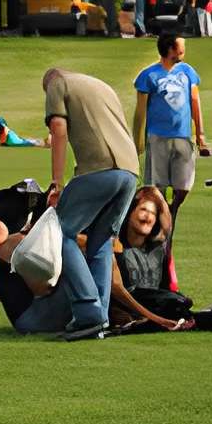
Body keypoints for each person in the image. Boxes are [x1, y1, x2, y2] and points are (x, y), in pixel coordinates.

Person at [14, 68, 140, 338]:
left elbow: (58, 130)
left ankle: (88, 311)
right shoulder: (103, 85)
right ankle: (100, 317)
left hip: (98, 170)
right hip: (130, 172)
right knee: (101, 242)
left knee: (60, 232)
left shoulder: (56, 84)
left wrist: (56, 183)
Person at [132, 32, 209, 221]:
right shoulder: (148, 76)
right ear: (170, 49)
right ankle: (160, 228)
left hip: (183, 136)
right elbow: (140, 111)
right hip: (157, 137)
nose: (185, 47)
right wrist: (137, 140)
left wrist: (200, 133)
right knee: (156, 189)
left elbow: (194, 101)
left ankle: (171, 210)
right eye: (181, 44)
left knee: (183, 187)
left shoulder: (188, 72)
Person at [108, 188, 193, 331]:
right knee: (177, 303)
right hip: (128, 304)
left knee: (179, 302)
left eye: (153, 213)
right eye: (143, 210)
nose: (148, 216)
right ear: (130, 212)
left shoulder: (158, 250)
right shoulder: (116, 245)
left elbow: (165, 286)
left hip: (156, 303)